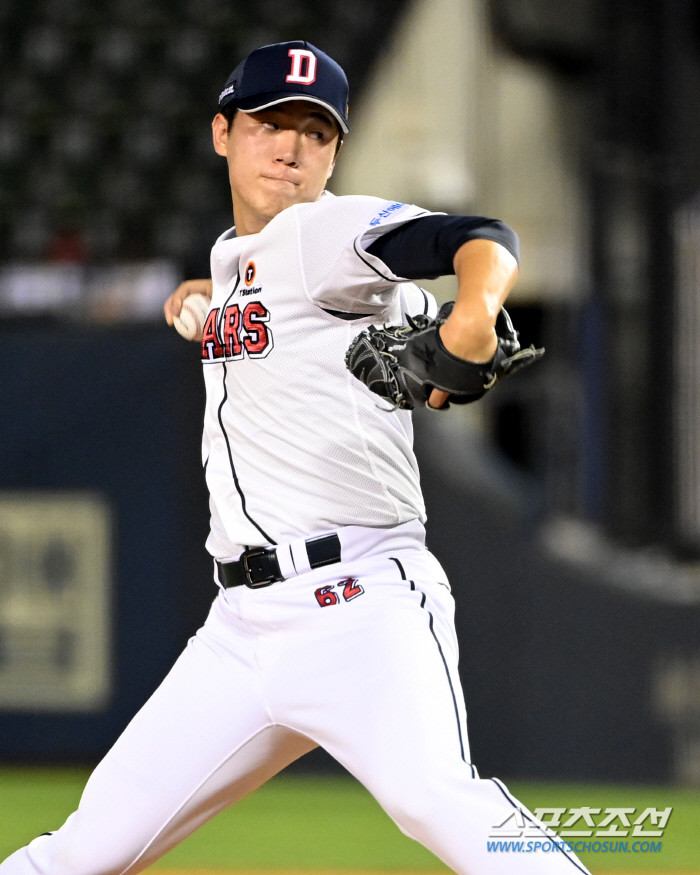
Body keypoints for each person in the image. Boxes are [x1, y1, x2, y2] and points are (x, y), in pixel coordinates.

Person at [1, 41, 590, 875]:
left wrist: (475, 311)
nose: (291, 147)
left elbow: (484, 237)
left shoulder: (328, 231)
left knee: (442, 802)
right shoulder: (235, 260)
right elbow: (276, 305)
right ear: (222, 133)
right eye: (271, 122)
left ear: (336, 153)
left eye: (316, 133)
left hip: (360, 605)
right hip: (241, 631)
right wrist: (202, 301)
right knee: (87, 848)